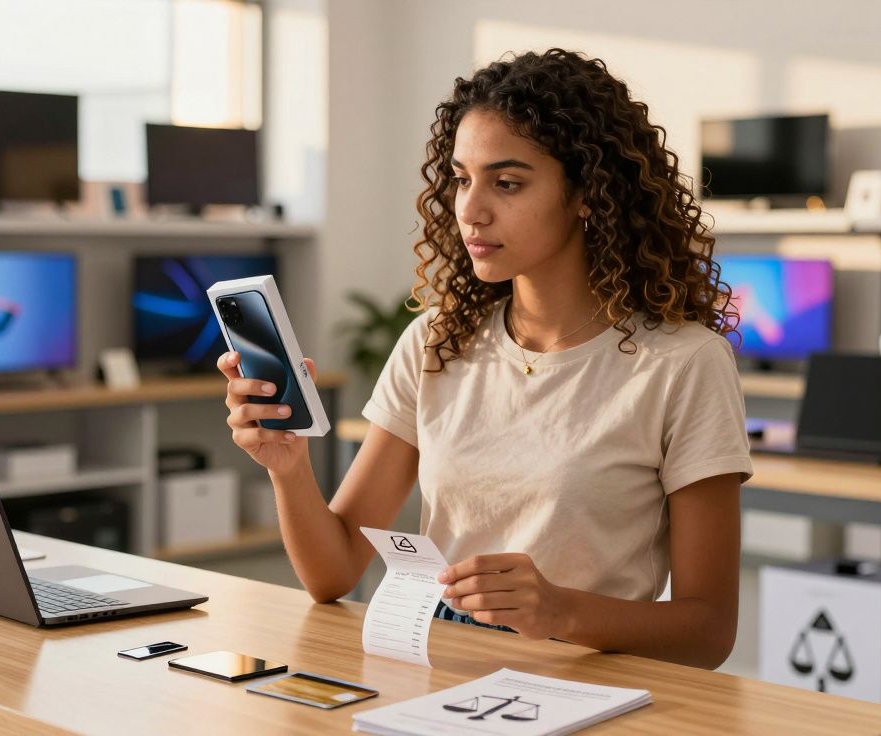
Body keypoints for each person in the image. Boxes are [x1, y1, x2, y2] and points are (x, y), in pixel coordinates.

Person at [218, 48, 751, 669]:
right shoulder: (435, 342)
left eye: (507, 183)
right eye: (461, 179)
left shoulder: (684, 363)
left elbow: (709, 632)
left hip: (583, 688)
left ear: (588, 193)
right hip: (438, 677)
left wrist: (560, 611)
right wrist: (288, 468)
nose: (470, 210)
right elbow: (333, 572)